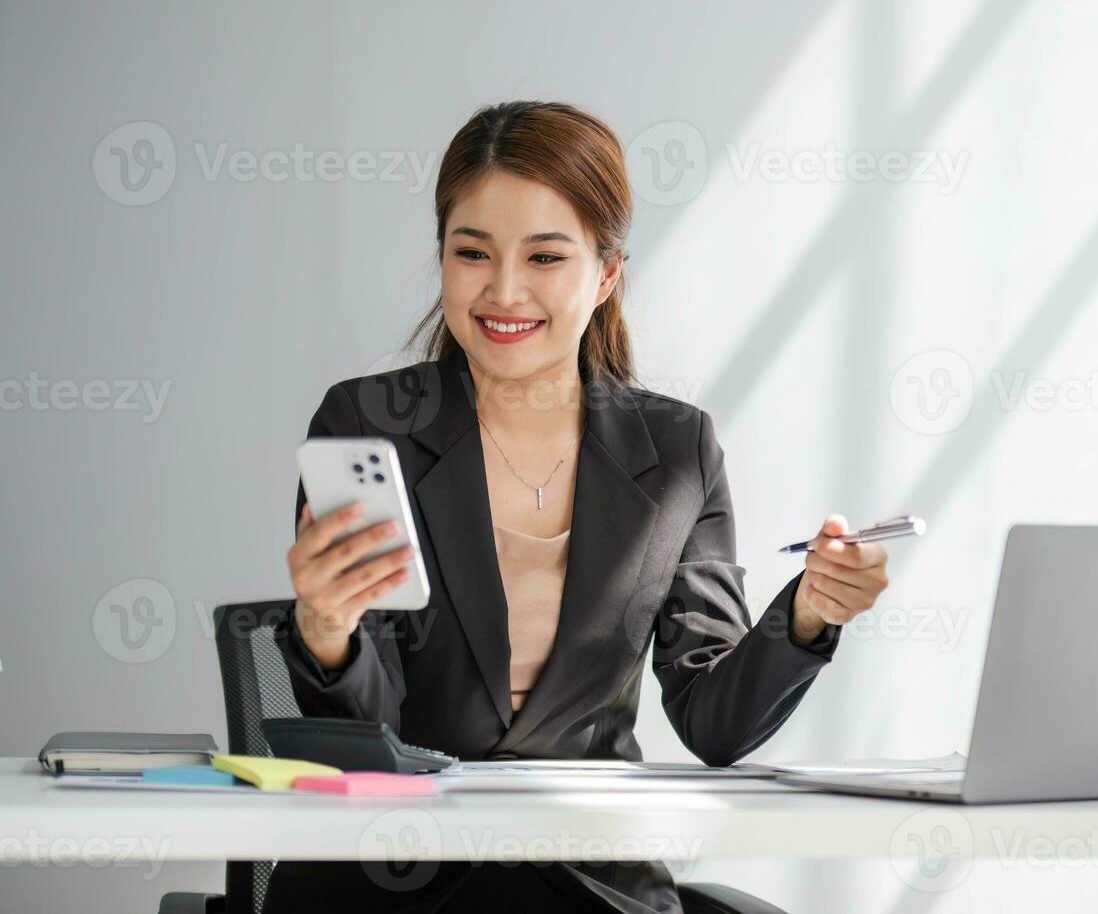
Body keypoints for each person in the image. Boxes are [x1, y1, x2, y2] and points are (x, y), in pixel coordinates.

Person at [264, 101, 893, 913]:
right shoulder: (367, 426)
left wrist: (806, 615)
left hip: (587, 882)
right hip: (400, 876)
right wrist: (325, 629)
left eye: (546, 256)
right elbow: (368, 741)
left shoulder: (674, 450)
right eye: (472, 253)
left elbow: (715, 720)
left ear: (605, 275)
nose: (504, 289)